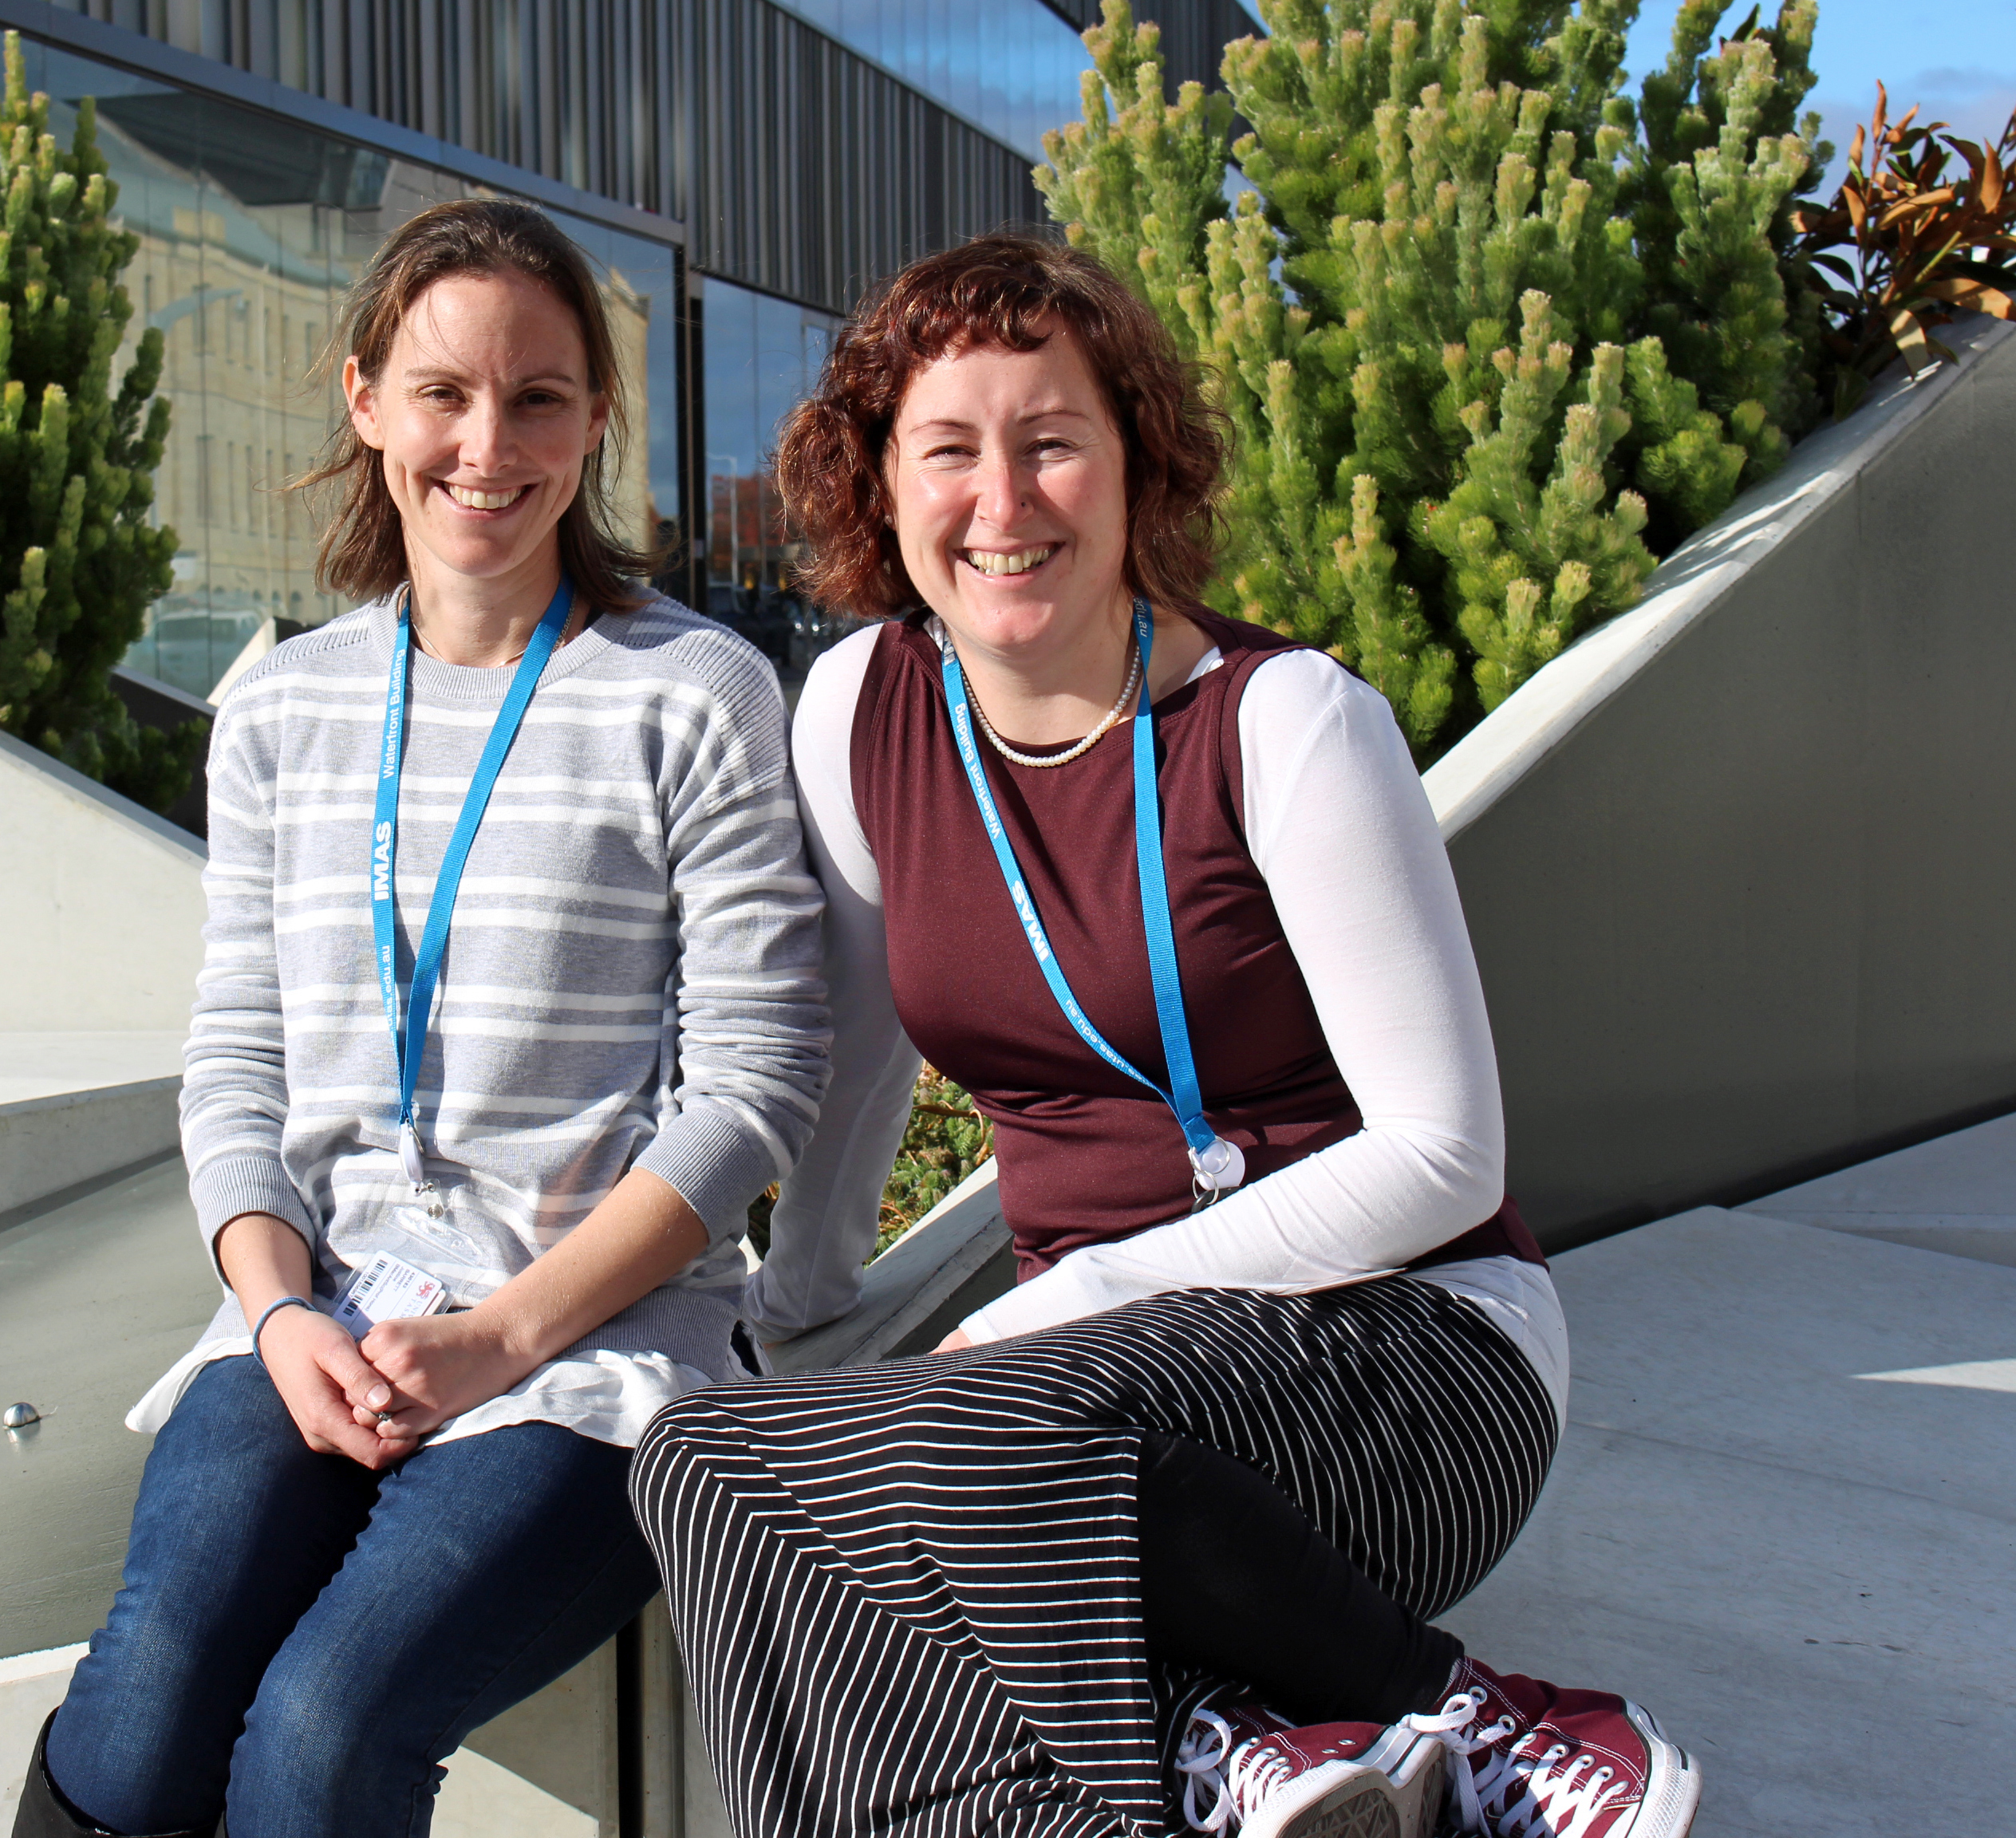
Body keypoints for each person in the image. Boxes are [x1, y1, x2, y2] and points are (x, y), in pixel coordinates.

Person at [629, 233, 1701, 1838]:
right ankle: (1205, 1748)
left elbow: (1443, 1151)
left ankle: (1456, 1714)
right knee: (706, 1458)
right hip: (1085, 1402)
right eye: (949, 449)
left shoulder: (1285, 724)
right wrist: (800, 1320)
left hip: (1405, 1351)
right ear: (881, 485)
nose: (1004, 501)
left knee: (993, 1425)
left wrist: (1085, 1297)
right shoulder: (862, 709)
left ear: (1136, 466)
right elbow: (863, 1057)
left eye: (1053, 440)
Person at [11, 198, 829, 1838]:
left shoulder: (692, 692)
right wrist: (273, 1312)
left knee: (323, 1731)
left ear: (596, 423)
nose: (488, 444)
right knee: (152, 1686)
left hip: (596, 1353)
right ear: (366, 398)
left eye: (539, 398)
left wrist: (502, 1336)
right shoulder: (283, 707)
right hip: (324, 1320)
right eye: (443, 393)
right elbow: (238, 1057)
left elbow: (754, 1091)